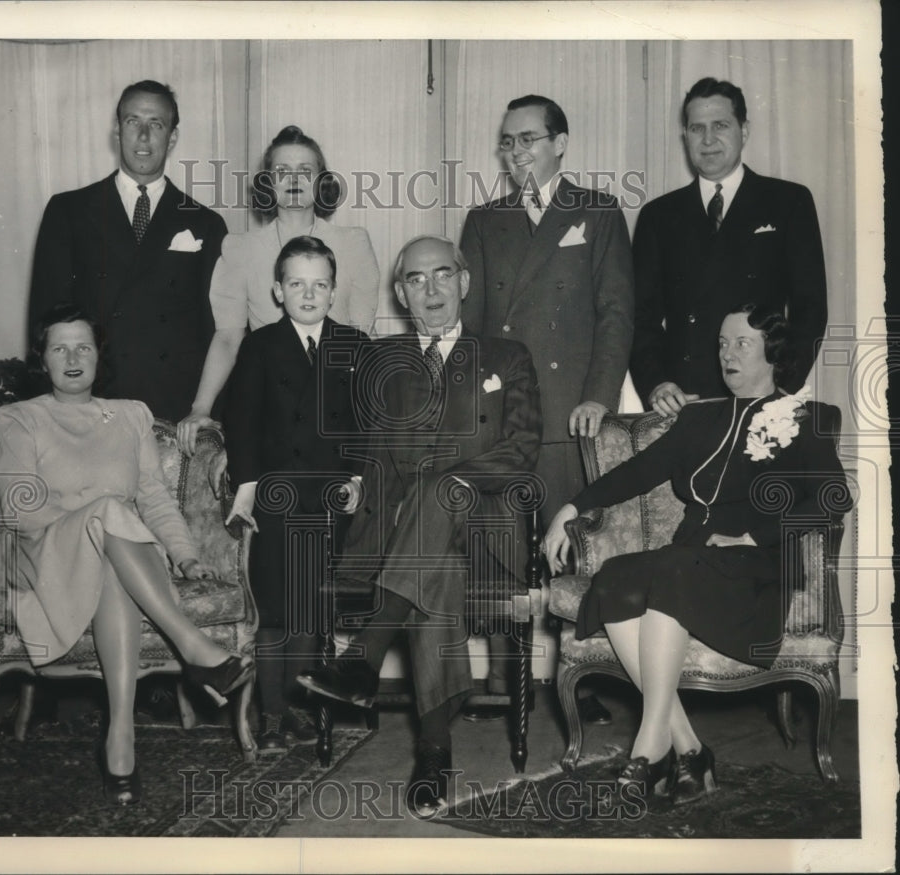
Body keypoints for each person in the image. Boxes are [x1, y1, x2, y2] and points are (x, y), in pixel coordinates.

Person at [543, 303, 850, 806]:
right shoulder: (701, 417)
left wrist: (755, 538)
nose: (726, 354)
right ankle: (689, 748)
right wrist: (570, 509)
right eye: (722, 343)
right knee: (616, 577)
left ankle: (649, 748)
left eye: (741, 344)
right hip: (689, 561)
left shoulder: (803, 418)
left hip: (755, 567)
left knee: (670, 572)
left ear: (773, 354)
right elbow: (639, 471)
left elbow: (836, 497)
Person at [297, 235, 542, 817]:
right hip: (409, 546)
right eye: (414, 279)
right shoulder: (383, 362)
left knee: (440, 503)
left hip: (486, 535)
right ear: (402, 294)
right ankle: (434, 753)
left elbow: (521, 450)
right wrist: (356, 500)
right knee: (434, 575)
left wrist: (448, 484)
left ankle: (364, 656)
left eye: (441, 276)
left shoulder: (507, 358)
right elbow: (371, 457)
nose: (430, 290)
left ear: (463, 281)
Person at [0, 304, 250, 806]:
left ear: (97, 356)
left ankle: (121, 732)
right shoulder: (18, 418)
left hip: (124, 553)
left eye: (83, 347)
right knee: (108, 511)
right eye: (59, 347)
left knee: (114, 548)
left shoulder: (130, 414)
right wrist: (90, 514)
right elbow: (22, 509)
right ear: (42, 359)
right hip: (52, 556)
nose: (72, 357)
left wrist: (185, 555)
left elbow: (154, 497)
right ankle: (193, 647)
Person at [460, 94, 634, 721]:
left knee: (570, 553)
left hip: (571, 415)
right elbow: (472, 327)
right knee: (507, 555)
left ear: (561, 143)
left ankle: (576, 685)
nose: (517, 152)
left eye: (529, 139)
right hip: (507, 415)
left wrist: (599, 397)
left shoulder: (598, 211)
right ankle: (513, 688)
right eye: (508, 141)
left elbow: (617, 314)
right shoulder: (485, 220)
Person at [220, 235, 368, 752]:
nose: (309, 293)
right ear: (278, 291)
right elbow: (242, 422)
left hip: (329, 500)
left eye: (320, 284)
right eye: (297, 284)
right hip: (276, 499)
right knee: (275, 609)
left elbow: (365, 427)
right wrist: (246, 489)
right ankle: (271, 712)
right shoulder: (260, 345)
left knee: (311, 608)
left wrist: (355, 478)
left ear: (333, 291)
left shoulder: (354, 345)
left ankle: (301, 707)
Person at [29, 80, 228, 425]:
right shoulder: (68, 211)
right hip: (90, 402)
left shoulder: (207, 223)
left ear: (173, 137)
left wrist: (204, 411)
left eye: (157, 124)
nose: (144, 136)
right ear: (117, 131)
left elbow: (215, 332)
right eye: (133, 122)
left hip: (172, 407)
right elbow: (46, 320)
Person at [630, 76, 828, 417]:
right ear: (685, 136)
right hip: (684, 402)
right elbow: (639, 318)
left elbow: (810, 310)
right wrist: (656, 383)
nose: (708, 140)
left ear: (744, 130)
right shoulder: (658, 215)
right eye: (696, 128)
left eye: (720, 125)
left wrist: (782, 389)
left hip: (762, 396)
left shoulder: (788, 201)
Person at [177, 125, 379, 456]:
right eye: (282, 171)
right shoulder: (240, 248)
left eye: (305, 171)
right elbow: (228, 337)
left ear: (321, 182)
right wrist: (201, 407)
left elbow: (359, 336)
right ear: (268, 184)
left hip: (338, 409)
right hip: (271, 412)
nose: (294, 180)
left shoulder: (354, 243)